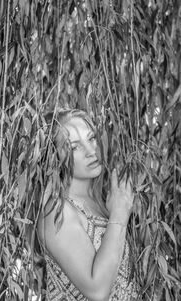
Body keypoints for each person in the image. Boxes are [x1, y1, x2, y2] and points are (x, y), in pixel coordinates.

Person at [37, 108, 139, 301]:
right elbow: (97, 291)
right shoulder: (57, 212)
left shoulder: (102, 201)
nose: (91, 151)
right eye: (74, 147)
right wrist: (119, 214)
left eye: (91, 138)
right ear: (54, 156)